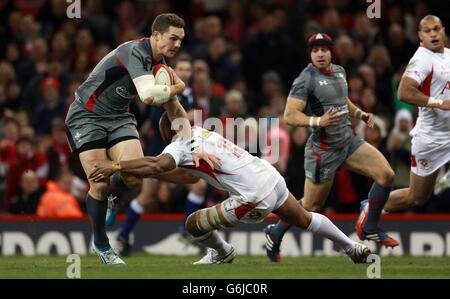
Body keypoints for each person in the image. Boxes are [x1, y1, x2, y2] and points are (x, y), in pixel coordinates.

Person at [89, 112, 372, 265]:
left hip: (253, 197)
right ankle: (351, 247)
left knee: (192, 225)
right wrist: (158, 174)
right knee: (303, 219)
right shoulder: (202, 133)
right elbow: (188, 178)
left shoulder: (177, 145)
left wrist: (117, 166)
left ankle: (222, 253)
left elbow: (154, 165)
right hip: (270, 177)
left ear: (166, 132)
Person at [64, 13, 215, 265]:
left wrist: (192, 146)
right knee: (99, 183)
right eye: (173, 38)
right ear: (156, 36)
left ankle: (112, 198)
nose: (177, 44)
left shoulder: (161, 65)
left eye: (181, 40)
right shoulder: (135, 52)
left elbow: (175, 110)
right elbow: (147, 96)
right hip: (86, 116)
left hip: (119, 117)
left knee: (133, 177)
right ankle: (102, 245)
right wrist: (178, 87)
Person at [263, 33, 398, 262]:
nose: (320, 54)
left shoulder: (339, 71)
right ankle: (275, 232)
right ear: (311, 54)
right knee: (309, 206)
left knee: (387, 175)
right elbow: (289, 116)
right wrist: (318, 121)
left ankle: (369, 227)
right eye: (315, 50)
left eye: (324, 49)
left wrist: (360, 114)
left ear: (330, 52)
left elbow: (342, 100)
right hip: (323, 151)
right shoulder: (305, 79)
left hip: (348, 141)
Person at [364, 15, 450, 219]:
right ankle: (371, 208)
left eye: (436, 29)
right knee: (417, 196)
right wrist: (439, 103)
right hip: (431, 138)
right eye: (427, 31)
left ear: (443, 31)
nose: (433, 34)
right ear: (420, 35)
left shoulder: (448, 55)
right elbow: (404, 92)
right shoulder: (422, 59)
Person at [113, 57, 198, 256]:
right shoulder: (163, 90)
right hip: (159, 152)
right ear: (174, 72)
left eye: (188, 69)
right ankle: (123, 236)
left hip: (180, 151)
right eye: (182, 68)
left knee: (199, 184)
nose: (185, 72)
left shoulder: (189, 95)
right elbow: (158, 121)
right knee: (146, 197)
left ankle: (185, 230)